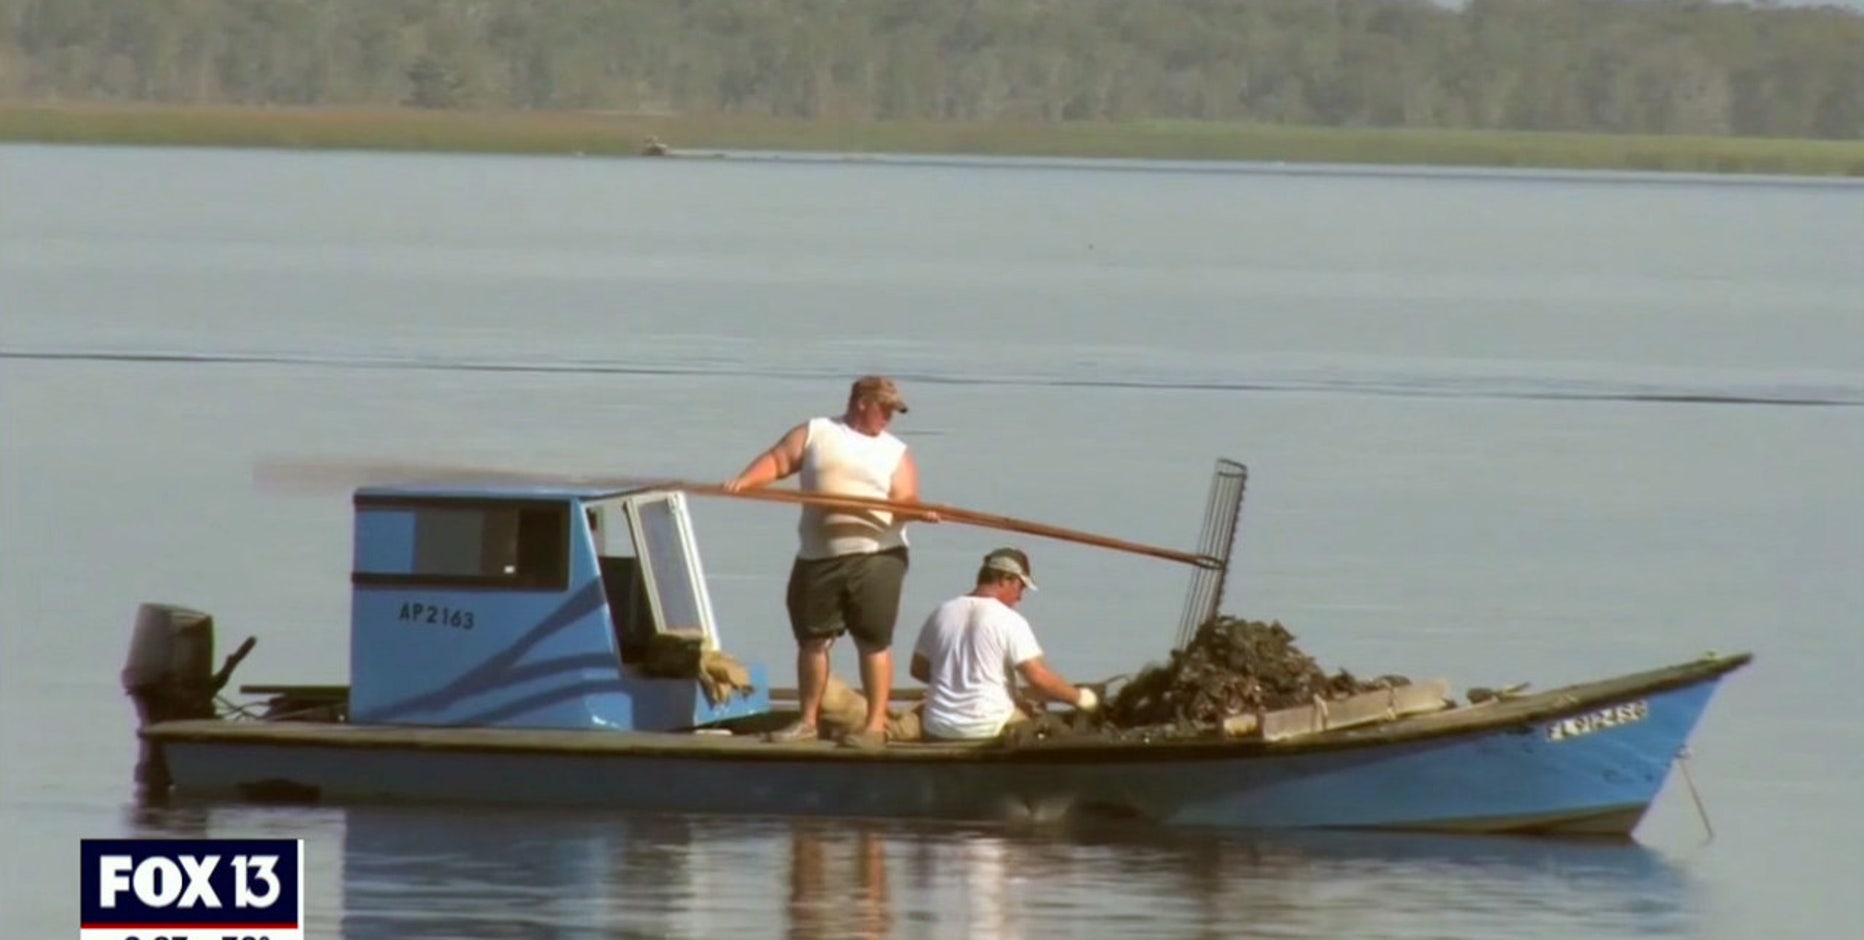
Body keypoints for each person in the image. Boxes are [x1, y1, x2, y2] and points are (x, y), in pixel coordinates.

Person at [724, 375, 936, 747]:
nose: (889, 417)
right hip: (818, 557)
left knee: (873, 640)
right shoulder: (817, 433)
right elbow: (778, 460)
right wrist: (745, 481)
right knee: (813, 640)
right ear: (861, 403)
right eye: (884, 409)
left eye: (894, 411)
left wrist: (920, 512)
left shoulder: (895, 451)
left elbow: (905, 500)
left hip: (877, 556)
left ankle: (874, 727)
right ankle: (808, 720)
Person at [897, 547, 1099, 742]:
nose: (1020, 597)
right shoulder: (1009, 620)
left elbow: (918, 670)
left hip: (938, 728)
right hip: (991, 729)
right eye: (1021, 587)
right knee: (1047, 724)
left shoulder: (941, 613)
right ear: (1005, 579)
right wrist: (1082, 698)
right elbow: (1039, 679)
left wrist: (957, 679)